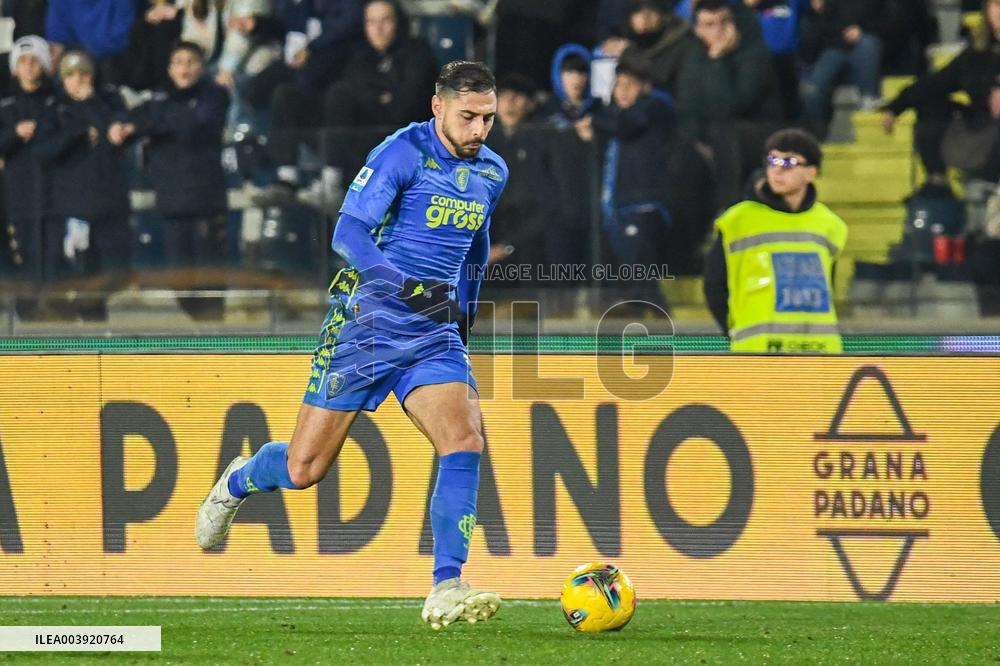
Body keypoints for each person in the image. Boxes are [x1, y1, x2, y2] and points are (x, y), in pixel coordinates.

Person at [196, 60, 508, 630]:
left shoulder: (492, 172)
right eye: (469, 117)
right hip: (366, 323)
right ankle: (241, 478)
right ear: (437, 107)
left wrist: (463, 316)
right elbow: (348, 234)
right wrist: (403, 287)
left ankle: (447, 584)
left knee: (464, 436)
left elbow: (476, 245)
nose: (480, 130)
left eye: (489, 118)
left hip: (432, 331)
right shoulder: (400, 153)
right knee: (304, 468)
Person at [111, 41, 231, 320]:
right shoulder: (159, 98)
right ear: (169, 68)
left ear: (201, 67)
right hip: (172, 202)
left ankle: (217, 337)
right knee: (181, 280)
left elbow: (193, 125)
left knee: (208, 278)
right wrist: (121, 125)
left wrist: (148, 125)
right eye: (179, 61)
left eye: (190, 61)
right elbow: (133, 119)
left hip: (206, 201)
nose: (185, 68)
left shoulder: (214, 95)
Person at [703, 128, 847, 353]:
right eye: (773, 160)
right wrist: (732, 328)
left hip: (820, 354)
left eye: (789, 162)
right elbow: (714, 285)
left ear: (811, 172)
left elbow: (828, 287)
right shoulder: (738, 220)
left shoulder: (830, 225)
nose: (777, 170)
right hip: (757, 353)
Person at [33, 51, 132, 321]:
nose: (78, 81)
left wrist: (91, 103)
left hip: (107, 206)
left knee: (110, 275)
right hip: (70, 208)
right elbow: (42, 151)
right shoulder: (53, 109)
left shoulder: (108, 103)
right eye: (71, 75)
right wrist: (75, 133)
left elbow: (116, 139)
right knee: (73, 277)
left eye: (84, 74)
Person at [678, 0, 784, 209]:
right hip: (712, 136)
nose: (718, 30)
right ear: (697, 29)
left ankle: (730, 212)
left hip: (759, 133)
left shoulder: (754, 54)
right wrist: (696, 143)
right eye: (709, 25)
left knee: (725, 133)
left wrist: (718, 60)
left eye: (724, 22)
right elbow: (688, 107)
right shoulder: (693, 57)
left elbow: (730, 106)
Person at [323, 0, 438, 180]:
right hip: (366, 137)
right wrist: (383, 95)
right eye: (371, 22)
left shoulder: (418, 51)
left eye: (386, 21)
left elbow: (405, 107)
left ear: (398, 22)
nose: (378, 29)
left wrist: (374, 94)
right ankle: (331, 180)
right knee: (337, 96)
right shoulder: (360, 57)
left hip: (408, 140)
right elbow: (353, 94)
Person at [0, 36, 54, 319]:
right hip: (18, 192)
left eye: (35, 61)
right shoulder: (6, 106)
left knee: (50, 254)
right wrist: (15, 134)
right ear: (14, 68)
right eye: (23, 62)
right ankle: (26, 313)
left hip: (54, 192)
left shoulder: (56, 101)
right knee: (23, 254)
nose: (29, 67)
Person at [799, 0, 884, 136]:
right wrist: (818, 12)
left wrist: (861, 31)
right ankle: (816, 133)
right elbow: (817, 33)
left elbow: (886, 20)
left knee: (867, 44)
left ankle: (869, 96)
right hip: (833, 46)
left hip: (865, 42)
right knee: (813, 89)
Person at [618, 0, 698, 97]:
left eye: (651, 11)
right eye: (638, 12)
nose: (645, 18)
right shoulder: (629, 54)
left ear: (663, 16)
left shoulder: (684, 45)